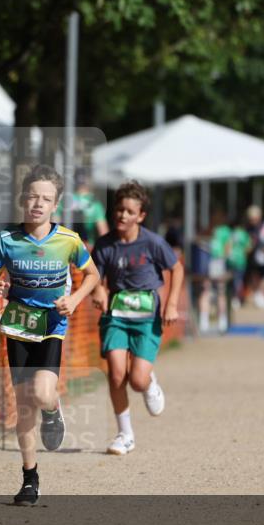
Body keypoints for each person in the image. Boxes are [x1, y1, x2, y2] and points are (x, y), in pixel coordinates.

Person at [0, 164, 101, 506]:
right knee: (23, 405)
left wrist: (75, 299)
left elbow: (92, 275)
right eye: (32, 196)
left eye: (46, 199)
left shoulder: (68, 240)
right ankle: (30, 478)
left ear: (55, 205)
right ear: (22, 199)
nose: (38, 204)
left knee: (42, 394)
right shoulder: (6, 240)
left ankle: (53, 409)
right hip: (18, 324)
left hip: (51, 325)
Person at [90, 180, 182, 456]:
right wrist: (98, 291)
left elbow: (176, 269)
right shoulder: (105, 245)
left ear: (140, 216)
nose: (122, 215)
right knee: (117, 374)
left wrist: (171, 304)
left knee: (137, 381)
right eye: (119, 209)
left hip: (145, 318)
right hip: (116, 316)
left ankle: (149, 382)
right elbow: (93, 273)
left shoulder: (153, 243)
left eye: (130, 211)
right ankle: (124, 434)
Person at [55, 172, 108, 247]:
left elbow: (54, 224)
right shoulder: (94, 202)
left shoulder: (65, 199)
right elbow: (103, 233)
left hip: (65, 245)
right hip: (86, 247)